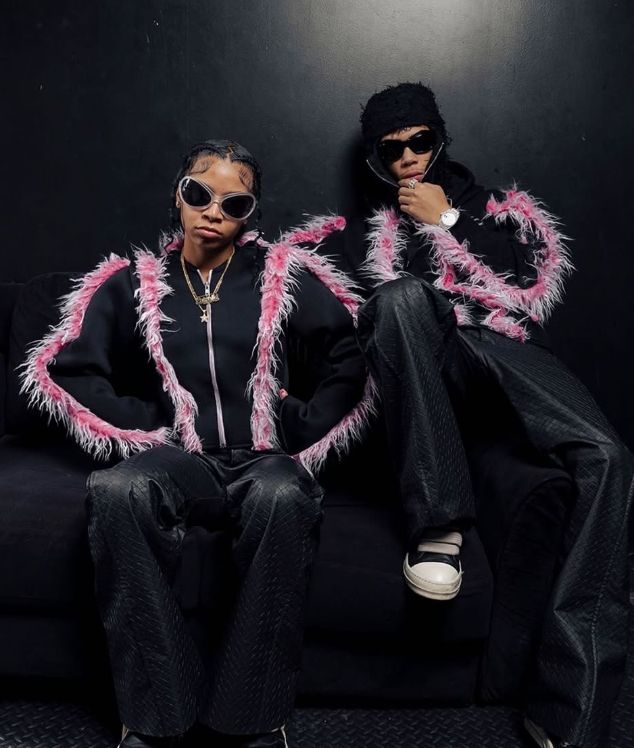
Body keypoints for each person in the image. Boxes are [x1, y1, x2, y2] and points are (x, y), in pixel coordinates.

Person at [21, 139, 374, 748]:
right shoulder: (134, 283)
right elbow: (69, 369)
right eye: (199, 194)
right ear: (178, 197)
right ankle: (156, 716)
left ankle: (252, 718)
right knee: (119, 491)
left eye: (234, 203)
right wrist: (152, 425)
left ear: (249, 215)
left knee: (284, 500)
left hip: (264, 459)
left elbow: (352, 352)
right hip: (180, 460)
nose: (213, 211)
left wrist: (297, 421)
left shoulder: (279, 274)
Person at [332, 83, 632, 748]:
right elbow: (346, 328)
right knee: (400, 299)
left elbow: (528, 291)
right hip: (429, 376)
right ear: (376, 160)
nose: (408, 158)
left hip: (505, 352)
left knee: (610, 458)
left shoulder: (501, 211)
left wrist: (447, 221)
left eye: (420, 141)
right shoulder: (362, 236)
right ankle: (439, 527)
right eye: (391, 150)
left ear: (439, 139)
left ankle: (570, 711)